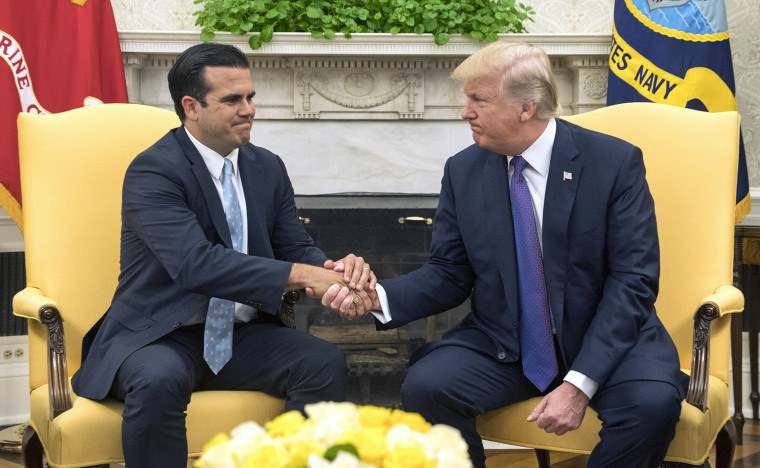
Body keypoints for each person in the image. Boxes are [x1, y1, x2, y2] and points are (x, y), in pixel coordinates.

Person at [324, 41, 689, 467]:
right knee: (428, 386)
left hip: (606, 338)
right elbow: (449, 273)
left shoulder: (612, 163)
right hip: (507, 341)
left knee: (650, 405)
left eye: (478, 100)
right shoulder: (464, 170)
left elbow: (633, 281)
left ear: (526, 108)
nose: (465, 112)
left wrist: (578, 383)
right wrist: (378, 297)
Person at [71, 42, 375, 468]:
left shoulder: (267, 166)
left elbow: (294, 247)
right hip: (160, 333)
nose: (248, 108)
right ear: (191, 106)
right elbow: (195, 264)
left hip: (240, 336)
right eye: (232, 99)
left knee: (322, 362)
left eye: (250, 97)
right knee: (159, 379)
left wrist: (333, 273)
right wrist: (306, 273)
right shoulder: (153, 170)